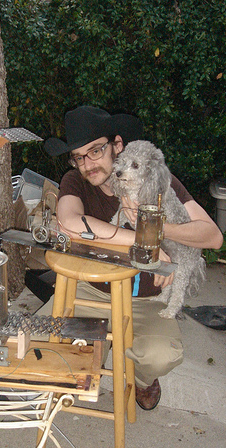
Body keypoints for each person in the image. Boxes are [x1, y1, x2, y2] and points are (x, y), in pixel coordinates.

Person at [41, 106, 223, 410]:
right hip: (90, 288)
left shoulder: (158, 180)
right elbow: (70, 223)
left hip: (147, 300)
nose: (88, 164)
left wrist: (159, 228)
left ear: (118, 145)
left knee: (161, 355)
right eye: (78, 156)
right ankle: (96, 347)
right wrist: (144, 243)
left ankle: (141, 378)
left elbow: (212, 236)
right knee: (38, 344)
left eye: (97, 150)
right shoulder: (75, 181)